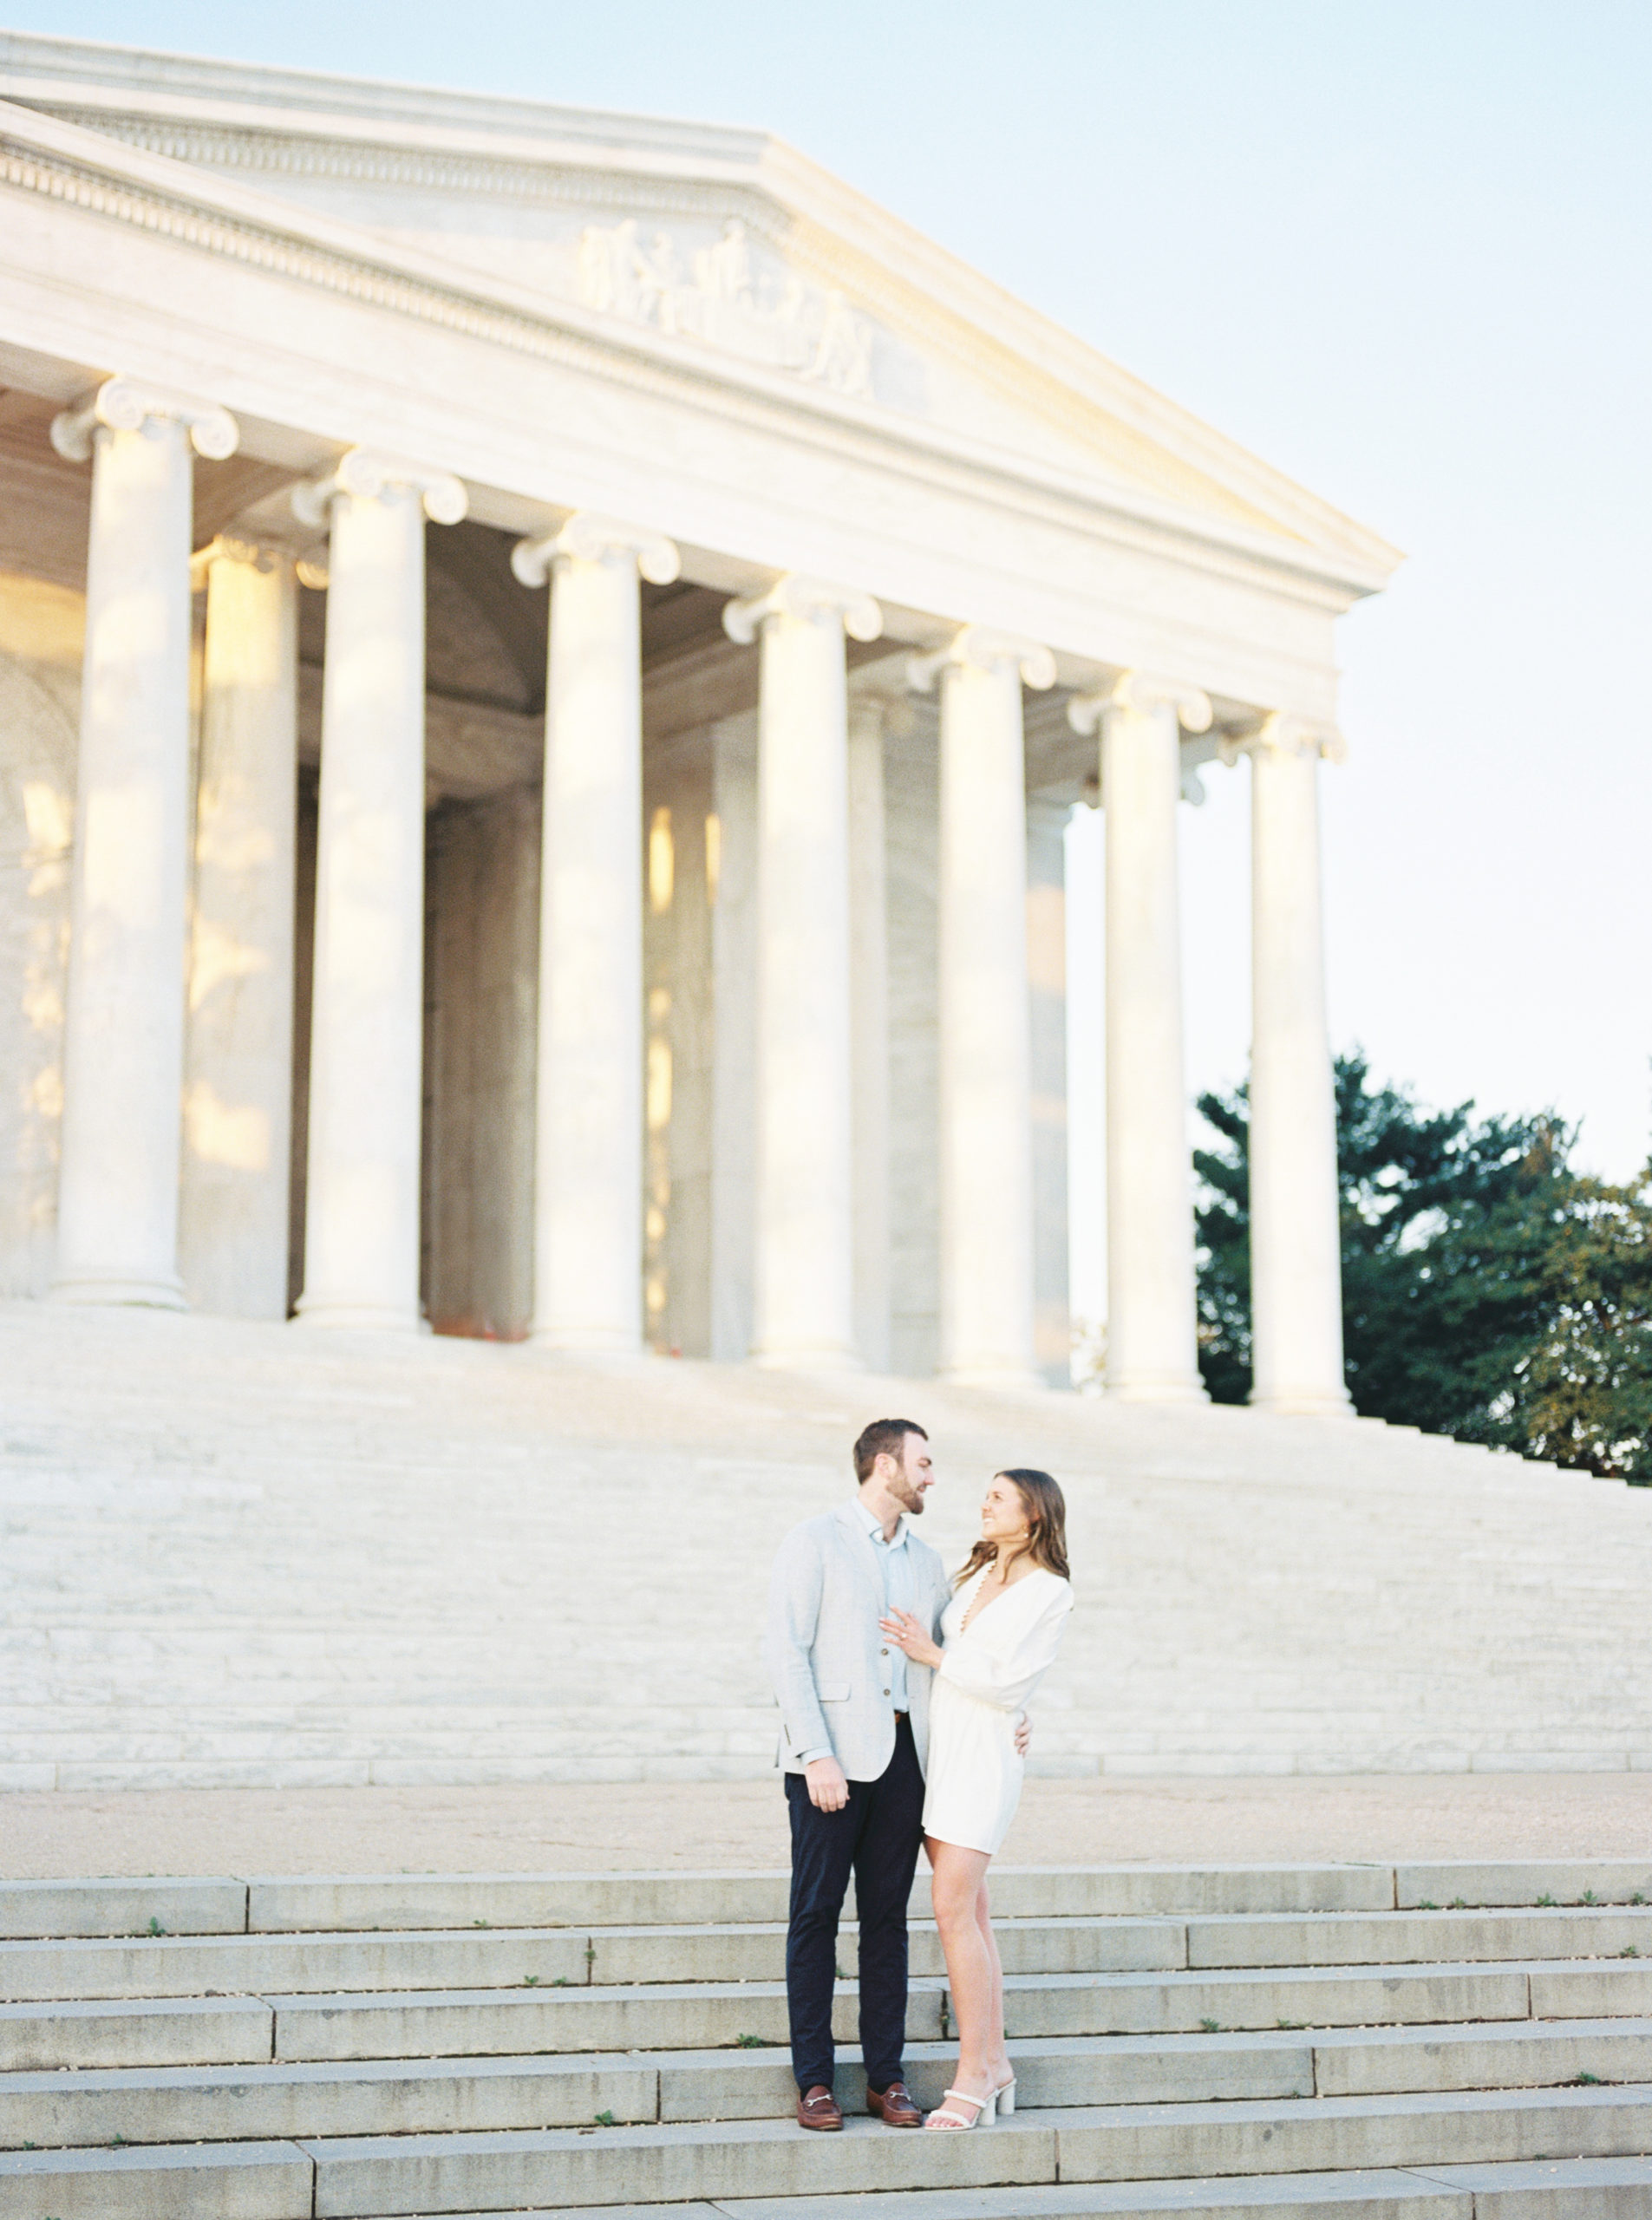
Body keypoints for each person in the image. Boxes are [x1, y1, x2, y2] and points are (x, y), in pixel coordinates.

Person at [763, 1420, 1031, 2132]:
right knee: (815, 1916)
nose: (931, 1478)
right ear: (885, 1466)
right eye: (923, 1464)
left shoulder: (927, 1560)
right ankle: (815, 2080)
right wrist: (815, 1753)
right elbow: (787, 1653)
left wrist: (1013, 1714)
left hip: (907, 1766)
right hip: (828, 1765)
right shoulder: (813, 1540)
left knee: (887, 1923)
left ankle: (887, 2077)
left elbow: (955, 1659)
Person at [882, 1467, 1073, 2131]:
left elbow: (1008, 1681)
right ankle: (993, 2062)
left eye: (998, 1498)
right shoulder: (974, 1574)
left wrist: (932, 1655)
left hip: (984, 1758)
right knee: (975, 1911)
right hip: (939, 1752)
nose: (983, 1505)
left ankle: (972, 2074)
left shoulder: (1050, 1592)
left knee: (952, 1907)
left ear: (1034, 1517)